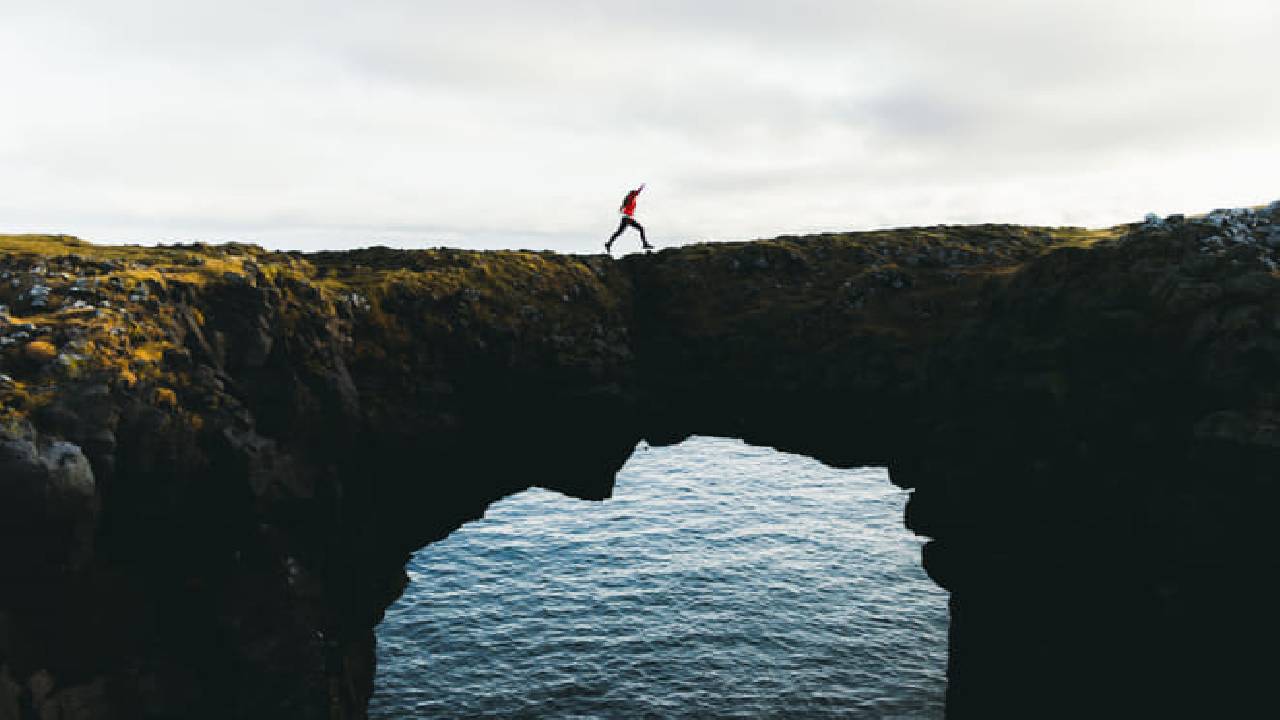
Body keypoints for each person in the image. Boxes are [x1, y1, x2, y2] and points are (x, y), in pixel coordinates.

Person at [605, 184, 654, 253]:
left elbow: (624, 205)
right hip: (628, 218)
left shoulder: (630, 198)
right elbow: (637, 192)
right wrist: (642, 187)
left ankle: (608, 244)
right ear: (632, 194)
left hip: (626, 218)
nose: (637, 195)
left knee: (619, 232)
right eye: (635, 194)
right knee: (641, 229)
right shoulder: (631, 197)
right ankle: (645, 244)